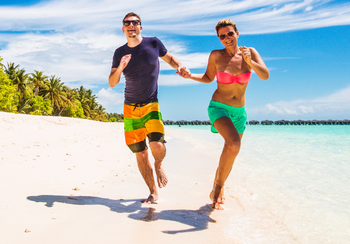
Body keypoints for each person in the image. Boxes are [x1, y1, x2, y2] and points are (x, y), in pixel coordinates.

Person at [178, 19, 269, 210]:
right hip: (218, 107)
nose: (227, 38)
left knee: (231, 151)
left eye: (230, 34)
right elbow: (208, 77)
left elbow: (265, 75)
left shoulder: (250, 52)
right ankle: (218, 187)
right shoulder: (216, 56)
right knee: (234, 143)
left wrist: (249, 62)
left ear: (237, 33)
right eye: (222, 36)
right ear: (219, 38)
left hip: (239, 112)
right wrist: (189, 75)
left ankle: (218, 185)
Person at [109, 12, 189, 204]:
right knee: (141, 152)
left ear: (140, 27)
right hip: (130, 108)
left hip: (151, 104)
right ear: (123, 29)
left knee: (157, 145)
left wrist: (180, 66)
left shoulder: (153, 43)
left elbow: (169, 58)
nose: (131, 25)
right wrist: (121, 67)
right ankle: (153, 192)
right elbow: (112, 82)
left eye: (135, 23)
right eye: (127, 23)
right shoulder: (119, 52)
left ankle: (159, 164)